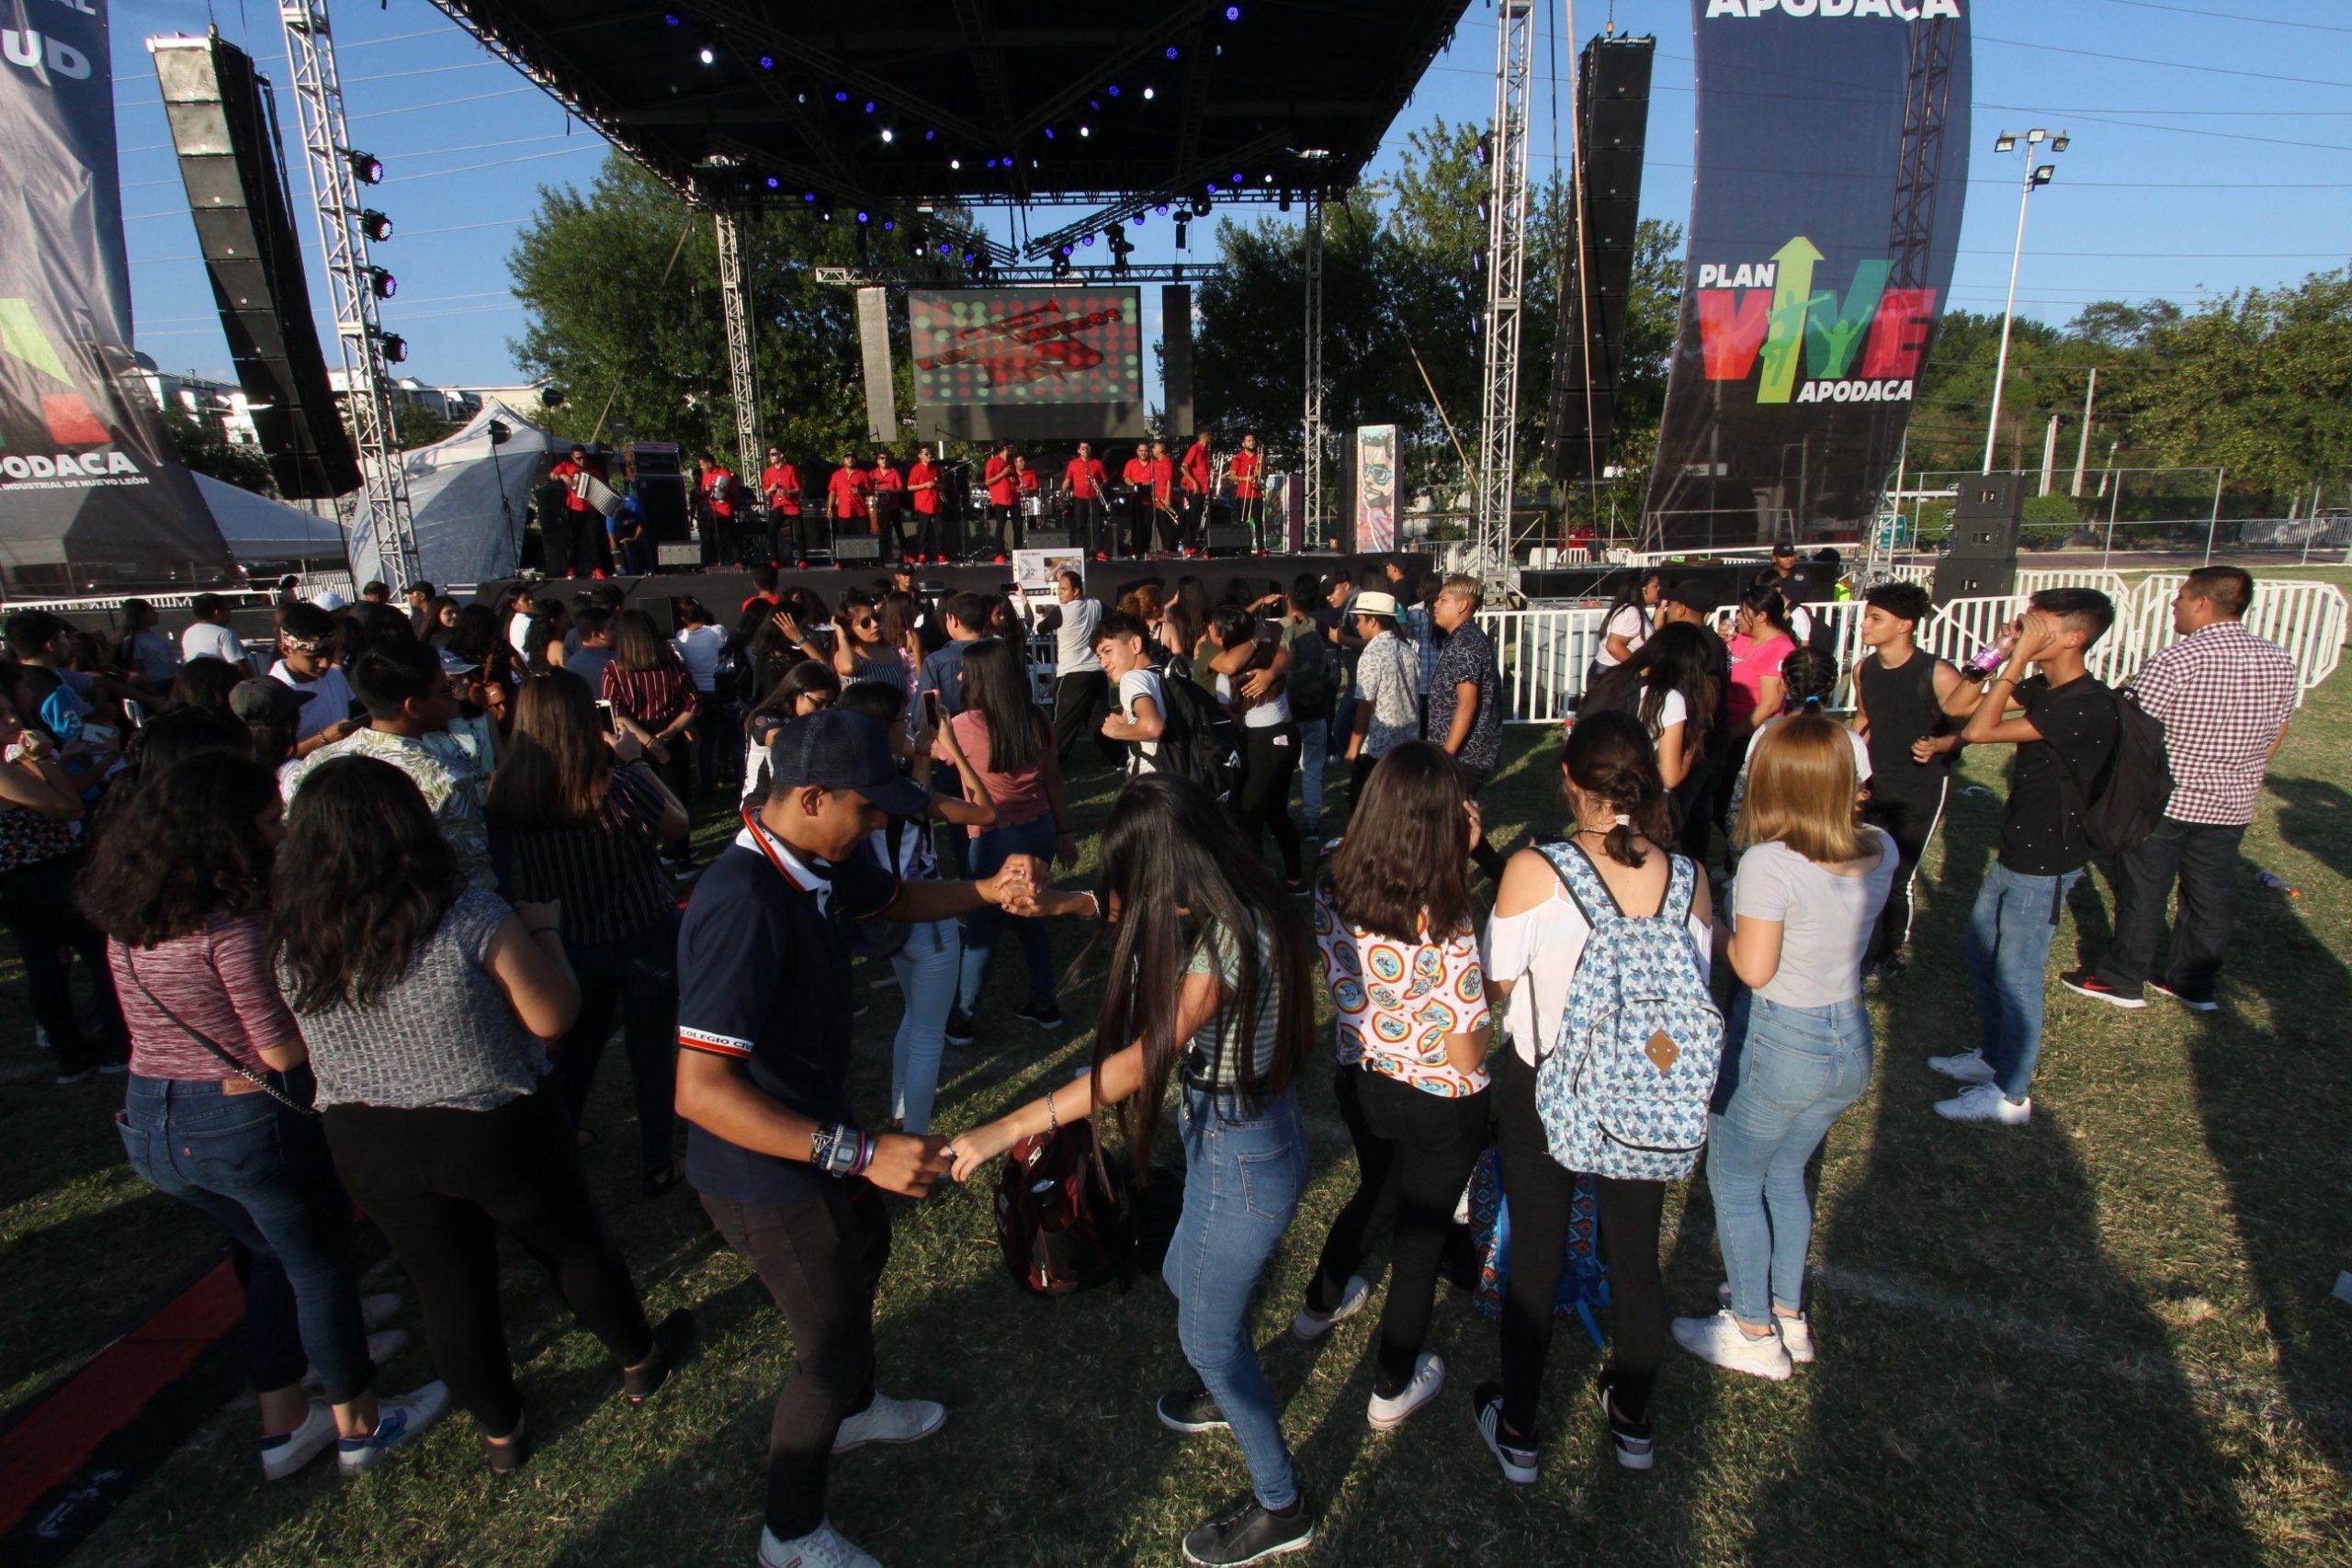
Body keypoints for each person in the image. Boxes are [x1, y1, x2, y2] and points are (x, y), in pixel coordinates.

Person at [673, 710, 1038, 1568]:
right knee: (827, 1350)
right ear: (808, 796)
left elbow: (898, 897)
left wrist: (988, 892)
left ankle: (858, 1409)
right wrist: (863, 1154)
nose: (879, 825)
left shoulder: (819, 859)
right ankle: (790, 1532)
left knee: (864, 1246)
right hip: (761, 1173)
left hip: (820, 1131)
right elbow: (698, 1091)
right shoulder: (743, 903)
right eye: (867, 810)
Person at [272, 755, 691, 1471]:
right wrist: (546, 932)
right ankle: (638, 1356)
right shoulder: (464, 911)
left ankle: (502, 1430)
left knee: (446, 1285)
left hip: (365, 1133)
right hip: (486, 1117)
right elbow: (553, 1012)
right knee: (570, 1243)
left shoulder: (294, 937)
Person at [947, 774, 1319, 1567]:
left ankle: (1282, 1501)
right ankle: (1228, 1383)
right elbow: (1140, 911)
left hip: (1246, 1154)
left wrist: (1004, 1127)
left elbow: (1137, 1063)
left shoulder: (1228, 940)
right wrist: (1061, 906)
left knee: (1205, 1333)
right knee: (1187, 1275)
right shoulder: (1230, 889)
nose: (1131, 899)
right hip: (1230, 1136)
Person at [81, 751, 448, 1477]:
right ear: (225, 829)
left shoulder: (129, 915)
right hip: (239, 1121)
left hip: (153, 1119)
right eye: (268, 817)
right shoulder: (231, 924)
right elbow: (279, 1048)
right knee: (317, 1268)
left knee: (274, 1260)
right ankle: (360, 1425)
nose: (281, 827)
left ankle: (285, 1420)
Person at [1476, 709, 1713, 1482]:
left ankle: (1519, 1427)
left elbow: (1498, 984)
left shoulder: (1534, 868)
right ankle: (1634, 1419)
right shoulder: (1690, 875)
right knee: (1638, 1258)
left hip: (1544, 1084)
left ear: (1567, 776)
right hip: (1646, 1085)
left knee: (1536, 1260)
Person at [1676, 716, 1893, 1381]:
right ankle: (1786, 1312)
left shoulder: (1771, 862)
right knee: (1784, 1173)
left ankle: (1750, 1328)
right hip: (1848, 1035)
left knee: (1736, 1178)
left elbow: (1754, 968)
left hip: (1783, 1036)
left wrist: (1707, 923)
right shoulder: (1880, 846)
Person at [1297, 742, 1493, 1431]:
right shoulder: (1446, 912)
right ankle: (1391, 1383)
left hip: (1364, 1079)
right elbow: (1467, 1049)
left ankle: (1317, 1305)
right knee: (1419, 1238)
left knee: (1377, 1189)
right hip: (1441, 1098)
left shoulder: (1330, 877)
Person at [487, 671, 692, 1197]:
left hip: (568, 940)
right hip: (642, 930)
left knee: (577, 1050)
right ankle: (657, 1162)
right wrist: (636, 762)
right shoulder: (614, 784)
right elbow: (680, 824)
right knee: (650, 1053)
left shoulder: (508, 788)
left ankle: (558, 1151)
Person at [2062, 566, 2297, 1013]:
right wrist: (2244, 770)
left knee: (2144, 890)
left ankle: (2122, 978)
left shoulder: (2177, 660)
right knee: (2210, 894)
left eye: (2182, 597)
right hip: (2232, 802)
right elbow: (2278, 729)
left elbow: (2132, 728)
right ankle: (2194, 983)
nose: (2175, 604)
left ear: (2204, 603)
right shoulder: (2278, 659)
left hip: (2165, 800)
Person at [1930, 589, 2120, 1126]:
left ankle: (2011, 1095)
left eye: (2043, 625)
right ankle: (1993, 1058)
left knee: (2017, 972)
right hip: (2019, 846)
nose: (2031, 630)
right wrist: (2000, 649)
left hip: (2050, 857)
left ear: (2074, 637)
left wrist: (2015, 663)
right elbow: (1958, 708)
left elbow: (1981, 731)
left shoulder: (2087, 703)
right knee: (1979, 950)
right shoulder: (2043, 687)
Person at [834, 682, 993, 1133]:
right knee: (928, 1033)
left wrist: (922, 752)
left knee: (913, 1015)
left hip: (886, 915)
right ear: (878, 729)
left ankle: (902, 1115)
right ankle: (916, 1136)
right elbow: (985, 813)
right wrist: (954, 750)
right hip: (928, 917)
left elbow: (912, 809)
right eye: (900, 720)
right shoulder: (897, 790)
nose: (907, 724)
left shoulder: (852, 785)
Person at [284, 638, 495, 892]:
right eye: (445, 689)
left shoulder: (317, 763)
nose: (453, 695)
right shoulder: (444, 780)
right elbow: (473, 878)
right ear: (413, 706)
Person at [944, 637, 1073, 1040]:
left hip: (994, 838)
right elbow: (1053, 781)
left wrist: (938, 731)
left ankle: (962, 1019)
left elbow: (926, 753)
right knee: (1031, 918)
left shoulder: (964, 727)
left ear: (982, 678)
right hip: (1039, 831)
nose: (960, 675)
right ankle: (1045, 1003)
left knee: (982, 931)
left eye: (966, 670)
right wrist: (1064, 833)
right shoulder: (1036, 718)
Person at [1851, 581, 1978, 978]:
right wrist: (1849, 767)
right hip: (1874, 783)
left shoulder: (1937, 673)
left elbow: (1973, 728)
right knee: (1862, 866)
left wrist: (1940, 744)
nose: (1865, 626)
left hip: (1920, 787)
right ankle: (1859, 943)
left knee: (1898, 875)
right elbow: (1864, 720)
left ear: (1905, 625)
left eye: (1875, 618)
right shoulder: (1863, 669)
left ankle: (1891, 952)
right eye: (1866, 616)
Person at [0, 691, 126, 1083]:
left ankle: (72, 1056)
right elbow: (68, 806)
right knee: (96, 957)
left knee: (47, 969)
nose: (13, 719)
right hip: (39, 877)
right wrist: (44, 758)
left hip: (28, 879)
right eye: (2, 714)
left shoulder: (9, 761)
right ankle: (110, 1047)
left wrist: (60, 759)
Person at [1204, 603, 1304, 891]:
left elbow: (1231, 719)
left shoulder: (1229, 674)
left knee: (1247, 812)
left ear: (1223, 638)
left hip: (1263, 743)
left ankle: (1255, 883)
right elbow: (1287, 653)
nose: (1207, 631)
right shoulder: (1269, 653)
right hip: (1286, 736)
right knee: (1275, 809)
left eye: (1211, 628)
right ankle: (1295, 878)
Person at [1427, 575, 1508, 880]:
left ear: (1462, 605)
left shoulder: (1467, 643)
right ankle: (1501, 874)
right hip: (1462, 751)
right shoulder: (1462, 639)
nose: (1436, 604)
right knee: (1457, 822)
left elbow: (1467, 703)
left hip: (1465, 753)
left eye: (1443, 599)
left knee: (1452, 825)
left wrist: (1446, 754)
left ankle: (1451, 888)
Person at [1654, 581, 1735, 861]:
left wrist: (1694, 740)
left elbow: (1709, 693)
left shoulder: (1699, 642)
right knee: (1698, 814)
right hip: (1709, 741)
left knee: (1679, 815)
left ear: (1683, 608)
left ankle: (1676, 872)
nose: (1670, 608)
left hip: (1699, 744)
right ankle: (1695, 867)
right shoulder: (1710, 639)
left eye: (1673, 604)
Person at [601, 610, 700, 809]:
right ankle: (680, 839)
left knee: (643, 801)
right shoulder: (672, 664)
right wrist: (671, 732)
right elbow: (693, 702)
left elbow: (615, 713)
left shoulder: (614, 669)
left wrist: (649, 741)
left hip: (634, 738)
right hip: (670, 733)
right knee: (676, 798)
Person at [1342, 591, 1419, 806]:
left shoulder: (1371, 654)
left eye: (1359, 619)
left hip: (1379, 746)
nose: (1357, 625)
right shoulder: (1407, 650)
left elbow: (1365, 704)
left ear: (1372, 620)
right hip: (1407, 742)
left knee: (1363, 805)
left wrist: (1353, 748)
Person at [1034, 569, 1114, 767]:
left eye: (1063, 589)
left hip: (1073, 674)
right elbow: (1113, 616)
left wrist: (1044, 614)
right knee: (1099, 719)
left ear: (1076, 591)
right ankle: (1120, 759)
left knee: (1062, 724)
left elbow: (1042, 628)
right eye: (1058, 589)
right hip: (1096, 672)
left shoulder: (1063, 611)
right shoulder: (1096, 605)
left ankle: (1051, 765)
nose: (1059, 593)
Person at [1278, 576, 1334, 838]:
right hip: (1316, 708)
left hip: (1287, 712)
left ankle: (1282, 819)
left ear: (1289, 597)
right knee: (1312, 769)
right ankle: (1312, 823)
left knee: (1283, 770)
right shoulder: (1320, 627)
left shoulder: (1279, 629)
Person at [741, 660, 842, 801]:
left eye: (829, 705)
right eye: (818, 703)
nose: (823, 710)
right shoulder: (765, 718)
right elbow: (787, 747)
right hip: (762, 804)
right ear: (796, 692)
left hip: (798, 802)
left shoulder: (816, 721)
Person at [266, 603, 359, 753]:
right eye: (314, 657)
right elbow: (274, 756)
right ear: (286, 649)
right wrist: (324, 739)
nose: (324, 664)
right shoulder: (273, 694)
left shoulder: (334, 676)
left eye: (330, 653)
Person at [1094, 611, 1167, 777]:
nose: (1103, 662)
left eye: (1108, 651)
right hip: (1176, 779)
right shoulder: (1161, 675)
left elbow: (1152, 726)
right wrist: (1121, 721)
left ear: (1135, 644)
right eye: (1099, 656)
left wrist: (1117, 731)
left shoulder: (1132, 679)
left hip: (1151, 783)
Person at [1592, 569, 1664, 680]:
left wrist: (1660, 608)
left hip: (1612, 673)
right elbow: (1613, 646)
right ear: (1643, 589)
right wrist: (1639, 668)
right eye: (1656, 586)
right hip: (1611, 674)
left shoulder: (1636, 610)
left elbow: (1654, 634)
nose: (1660, 589)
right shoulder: (1631, 612)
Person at [116, 597, 182, 688]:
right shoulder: (134, 641)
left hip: (172, 681)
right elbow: (136, 671)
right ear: (141, 616)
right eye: (152, 611)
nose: (157, 614)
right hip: (156, 685)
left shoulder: (154, 634)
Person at [1062, 442, 1108, 555]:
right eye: (1083, 448)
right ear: (1078, 451)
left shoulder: (1097, 463)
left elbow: (1105, 478)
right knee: (1079, 525)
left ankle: (1098, 550)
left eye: (1087, 448)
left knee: (1096, 525)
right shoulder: (1073, 464)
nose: (1085, 450)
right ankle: (1080, 551)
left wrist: (1100, 487)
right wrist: (1062, 492)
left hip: (1094, 497)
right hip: (1079, 498)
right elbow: (1068, 480)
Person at [906, 445, 949, 564]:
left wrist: (939, 485)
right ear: (920, 456)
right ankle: (922, 554)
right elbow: (910, 487)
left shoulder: (935, 468)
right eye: (926, 454)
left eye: (930, 453)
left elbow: (941, 483)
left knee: (939, 531)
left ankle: (941, 554)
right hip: (923, 503)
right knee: (923, 531)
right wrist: (924, 485)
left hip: (936, 503)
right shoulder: (915, 469)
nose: (929, 456)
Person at [182, 593, 250, 668]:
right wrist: (254, 679)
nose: (230, 612)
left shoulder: (188, 633)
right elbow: (239, 667)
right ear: (217, 613)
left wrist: (248, 649)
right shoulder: (225, 634)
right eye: (227, 609)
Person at [761, 447, 803, 564]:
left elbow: (799, 489)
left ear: (781, 455)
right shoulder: (768, 472)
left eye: (774, 454)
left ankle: (803, 559)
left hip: (791, 504)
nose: (771, 457)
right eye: (770, 455)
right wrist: (771, 488)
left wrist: (787, 492)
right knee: (771, 532)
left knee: (799, 532)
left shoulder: (790, 469)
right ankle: (775, 559)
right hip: (777, 505)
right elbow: (766, 492)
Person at [565, 605, 619, 691]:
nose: (616, 632)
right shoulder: (616, 662)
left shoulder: (572, 664)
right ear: (596, 635)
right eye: (611, 628)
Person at [1179, 431, 1215, 551]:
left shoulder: (1205, 451)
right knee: (1193, 517)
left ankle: (1197, 544)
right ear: (1205, 437)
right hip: (1196, 489)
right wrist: (1194, 482)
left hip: (1204, 488)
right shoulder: (1195, 448)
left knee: (1202, 518)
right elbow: (1184, 466)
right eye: (1210, 436)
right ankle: (1188, 544)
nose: (1211, 439)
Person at [1229, 432, 1265, 546]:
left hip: (1257, 493)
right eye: (1249, 440)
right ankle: (1242, 546)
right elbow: (1232, 476)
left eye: (1253, 440)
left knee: (1258, 522)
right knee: (1242, 522)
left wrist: (1261, 474)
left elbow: (1265, 474)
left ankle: (1260, 547)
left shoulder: (1260, 456)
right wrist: (1246, 479)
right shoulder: (1238, 458)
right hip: (1243, 494)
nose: (1252, 443)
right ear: (1243, 443)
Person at [1122, 440, 1156, 556]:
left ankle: (1146, 548)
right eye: (1141, 451)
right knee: (1136, 525)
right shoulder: (1131, 463)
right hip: (1135, 499)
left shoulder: (1153, 464)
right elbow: (1126, 477)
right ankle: (1135, 547)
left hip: (1149, 500)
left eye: (1146, 451)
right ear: (1137, 452)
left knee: (1147, 525)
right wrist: (1134, 486)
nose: (1143, 453)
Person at [827, 452, 872, 538]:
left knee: (864, 540)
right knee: (844, 541)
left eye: (852, 458)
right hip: (843, 513)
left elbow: (870, 491)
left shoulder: (862, 474)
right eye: (847, 458)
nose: (850, 460)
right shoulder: (836, 475)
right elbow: (832, 492)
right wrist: (830, 508)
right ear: (843, 460)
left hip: (860, 513)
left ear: (856, 460)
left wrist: (860, 491)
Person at [982, 442, 1016, 554]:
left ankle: (1017, 551)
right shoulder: (992, 462)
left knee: (1018, 525)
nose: (1012, 449)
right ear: (1005, 448)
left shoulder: (1011, 462)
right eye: (1010, 447)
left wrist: (1013, 478)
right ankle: (999, 553)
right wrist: (1002, 474)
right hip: (1000, 498)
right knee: (1000, 526)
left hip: (1013, 497)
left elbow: (1014, 478)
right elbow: (988, 481)